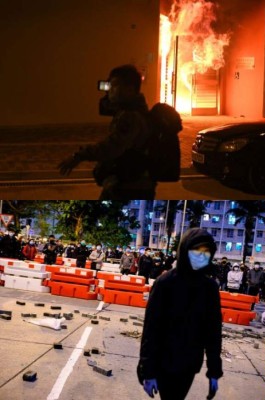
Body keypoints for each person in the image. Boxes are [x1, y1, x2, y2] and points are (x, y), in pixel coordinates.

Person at [137, 228, 222, 400]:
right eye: (197, 251)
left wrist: (214, 371)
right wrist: (148, 371)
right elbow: (151, 330)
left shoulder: (210, 288)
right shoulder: (165, 283)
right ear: (185, 251)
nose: (201, 256)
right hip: (164, 361)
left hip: (190, 363)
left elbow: (213, 332)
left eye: (206, 252)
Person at [58, 64, 156, 199]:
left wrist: (79, 156)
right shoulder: (133, 111)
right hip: (131, 182)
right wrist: (108, 97)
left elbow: (112, 147)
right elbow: (105, 109)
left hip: (129, 186)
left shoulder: (130, 116)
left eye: (114, 85)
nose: (110, 89)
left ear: (130, 89)